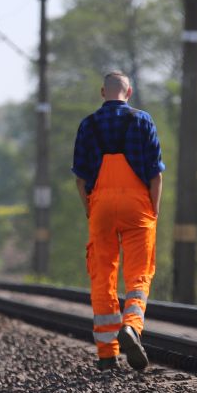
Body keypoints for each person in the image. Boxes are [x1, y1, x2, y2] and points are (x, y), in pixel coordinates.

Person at [72, 71, 163, 372]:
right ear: (130, 91)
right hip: (138, 204)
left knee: (102, 276)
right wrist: (154, 210)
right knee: (138, 274)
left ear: (103, 92)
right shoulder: (143, 120)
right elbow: (155, 173)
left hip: (100, 205)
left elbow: (81, 178)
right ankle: (132, 326)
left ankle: (107, 354)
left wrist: (90, 209)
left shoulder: (88, 124)